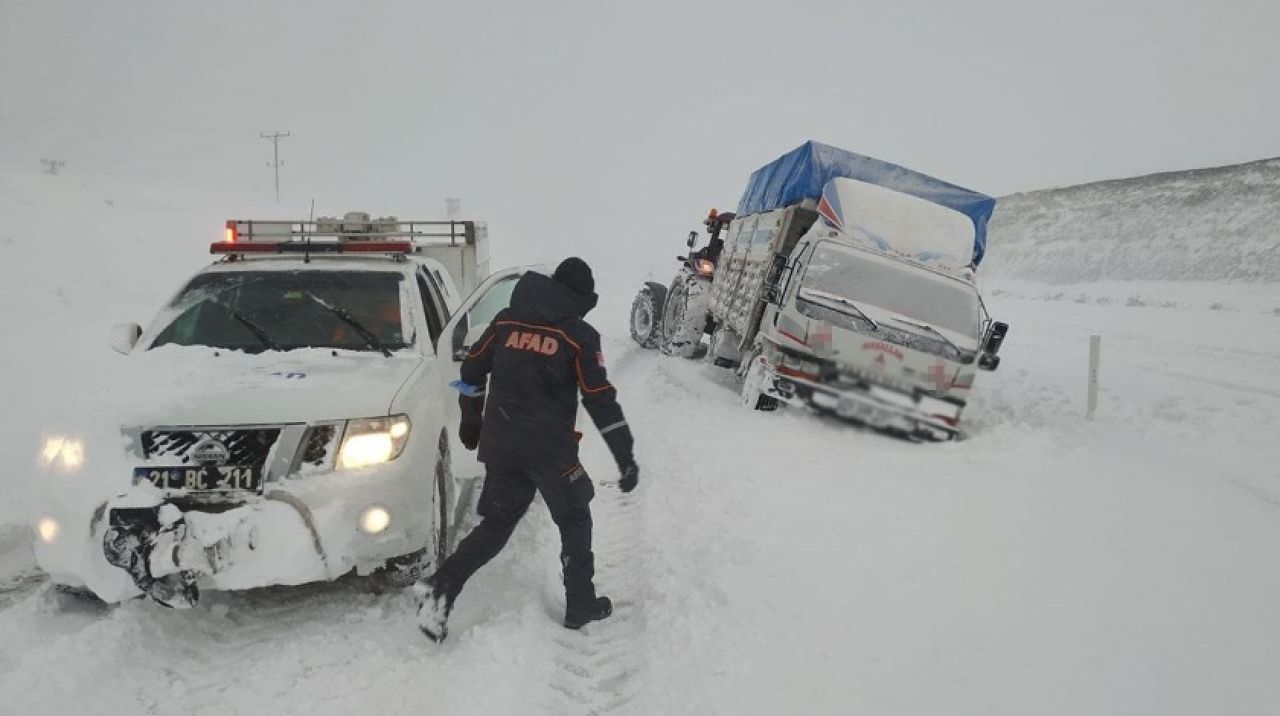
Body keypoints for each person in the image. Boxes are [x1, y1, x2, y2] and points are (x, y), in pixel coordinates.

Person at [414, 257, 640, 642]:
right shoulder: (578, 335)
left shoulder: (504, 321)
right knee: (574, 518)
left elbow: (470, 371)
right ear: (579, 297)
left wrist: (473, 420)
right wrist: (625, 456)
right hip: (551, 451)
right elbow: (599, 399)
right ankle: (581, 603)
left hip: (502, 445)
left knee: (498, 524)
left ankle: (441, 586)